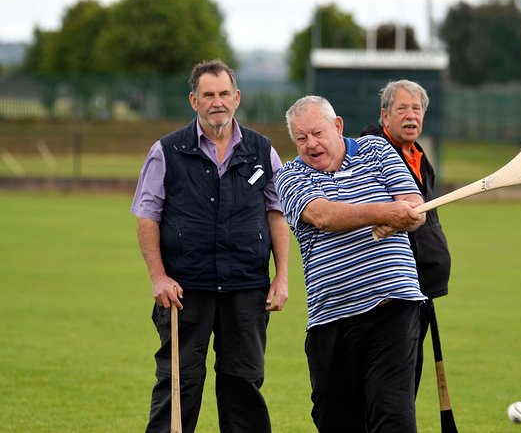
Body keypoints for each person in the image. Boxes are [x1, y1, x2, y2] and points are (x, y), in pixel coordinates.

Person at [130, 59, 290, 433]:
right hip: (185, 290)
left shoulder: (262, 151)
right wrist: (158, 277)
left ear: (237, 98)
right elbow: (146, 216)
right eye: (208, 95)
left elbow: (277, 214)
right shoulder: (166, 151)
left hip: (246, 288)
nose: (217, 102)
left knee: (243, 385)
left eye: (223, 94)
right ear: (193, 100)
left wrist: (281, 276)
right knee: (178, 385)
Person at [276, 95, 427, 433]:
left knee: (393, 415)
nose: (311, 144)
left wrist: (403, 215)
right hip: (332, 318)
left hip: (394, 304)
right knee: (337, 420)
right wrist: (385, 212)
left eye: (317, 133)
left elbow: (413, 207)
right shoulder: (289, 176)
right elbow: (324, 215)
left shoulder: (375, 149)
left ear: (338, 126)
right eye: (301, 138)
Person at [361, 79, 451, 394]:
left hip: (422, 283)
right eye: (402, 109)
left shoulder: (419, 156)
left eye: (417, 109)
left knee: (409, 374)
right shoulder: (370, 154)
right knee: (391, 378)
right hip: (390, 286)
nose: (411, 115)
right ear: (385, 116)